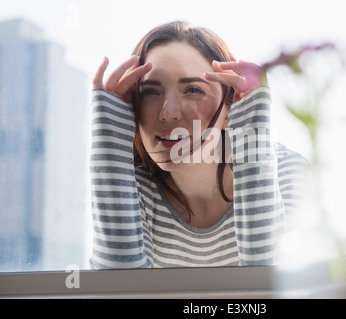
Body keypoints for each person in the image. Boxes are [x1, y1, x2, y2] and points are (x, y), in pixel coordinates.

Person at [90, 20, 308, 269]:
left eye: (193, 90)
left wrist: (252, 132)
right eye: (149, 91)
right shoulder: (135, 184)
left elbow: (274, 286)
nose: (168, 113)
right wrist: (110, 141)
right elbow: (115, 291)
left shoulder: (287, 171)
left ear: (230, 109)